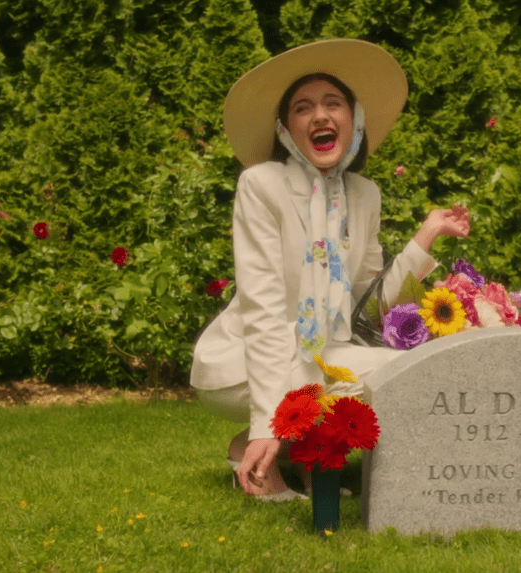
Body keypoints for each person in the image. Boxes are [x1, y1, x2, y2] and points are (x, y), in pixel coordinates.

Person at [190, 39, 470, 501]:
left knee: (410, 370)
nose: (319, 115)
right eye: (303, 108)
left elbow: (370, 307)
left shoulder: (365, 194)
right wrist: (265, 423)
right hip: (243, 363)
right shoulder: (260, 185)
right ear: (285, 129)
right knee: (324, 375)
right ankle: (258, 448)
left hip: (321, 358)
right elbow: (262, 310)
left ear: (354, 120)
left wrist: (426, 236)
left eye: (332, 103)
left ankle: (301, 453)